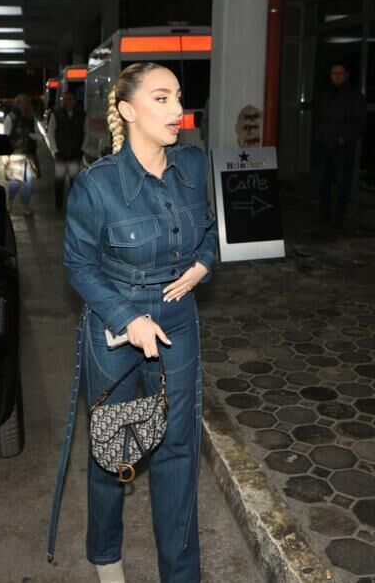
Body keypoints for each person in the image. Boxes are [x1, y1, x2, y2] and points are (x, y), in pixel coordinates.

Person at [62, 63, 218, 582]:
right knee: (116, 446)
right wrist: (129, 317)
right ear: (128, 110)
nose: (178, 110)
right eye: (161, 98)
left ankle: (182, 575)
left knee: (179, 447)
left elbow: (212, 228)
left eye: (179, 97)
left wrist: (204, 263)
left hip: (178, 318)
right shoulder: (96, 185)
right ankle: (106, 555)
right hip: (116, 323)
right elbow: (78, 265)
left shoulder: (193, 165)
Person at [315, 63, 367, 227]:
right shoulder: (326, 94)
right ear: (330, 75)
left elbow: (361, 122)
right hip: (325, 144)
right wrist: (319, 136)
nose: (337, 76)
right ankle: (324, 215)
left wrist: (345, 138)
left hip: (342, 146)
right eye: (334, 73)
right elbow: (320, 117)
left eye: (340, 73)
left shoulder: (354, 96)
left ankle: (338, 218)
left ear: (346, 75)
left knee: (342, 183)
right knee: (323, 182)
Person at [3, 93, 43, 217]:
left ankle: (26, 206)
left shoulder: (31, 118)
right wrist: (5, 154)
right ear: (17, 104)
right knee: (15, 181)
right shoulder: (11, 117)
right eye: (20, 102)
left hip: (29, 154)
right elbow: (6, 136)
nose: (23, 105)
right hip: (15, 154)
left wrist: (32, 136)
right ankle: (10, 201)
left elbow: (38, 134)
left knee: (28, 182)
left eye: (25, 103)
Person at [47, 89, 86, 211]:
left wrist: (83, 148)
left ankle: (74, 203)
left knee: (75, 180)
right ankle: (59, 204)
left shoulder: (82, 115)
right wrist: (55, 150)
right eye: (65, 99)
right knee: (59, 180)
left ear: (74, 101)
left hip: (75, 152)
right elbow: (51, 133)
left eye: (69, 99)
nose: (67, 102)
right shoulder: (56, 114)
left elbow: (86, 132)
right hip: (61, 152)